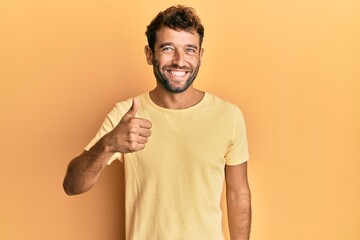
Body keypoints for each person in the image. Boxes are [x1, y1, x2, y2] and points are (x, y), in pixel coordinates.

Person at [63, 5, 251, 240]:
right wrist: (108, 144)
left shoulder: (228, 116)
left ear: (200, 56)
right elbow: (72, 185)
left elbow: (238, 193)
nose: (179, 61)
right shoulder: (126, 114)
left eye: (190, 50)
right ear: (149, 54)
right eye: (168, 48)